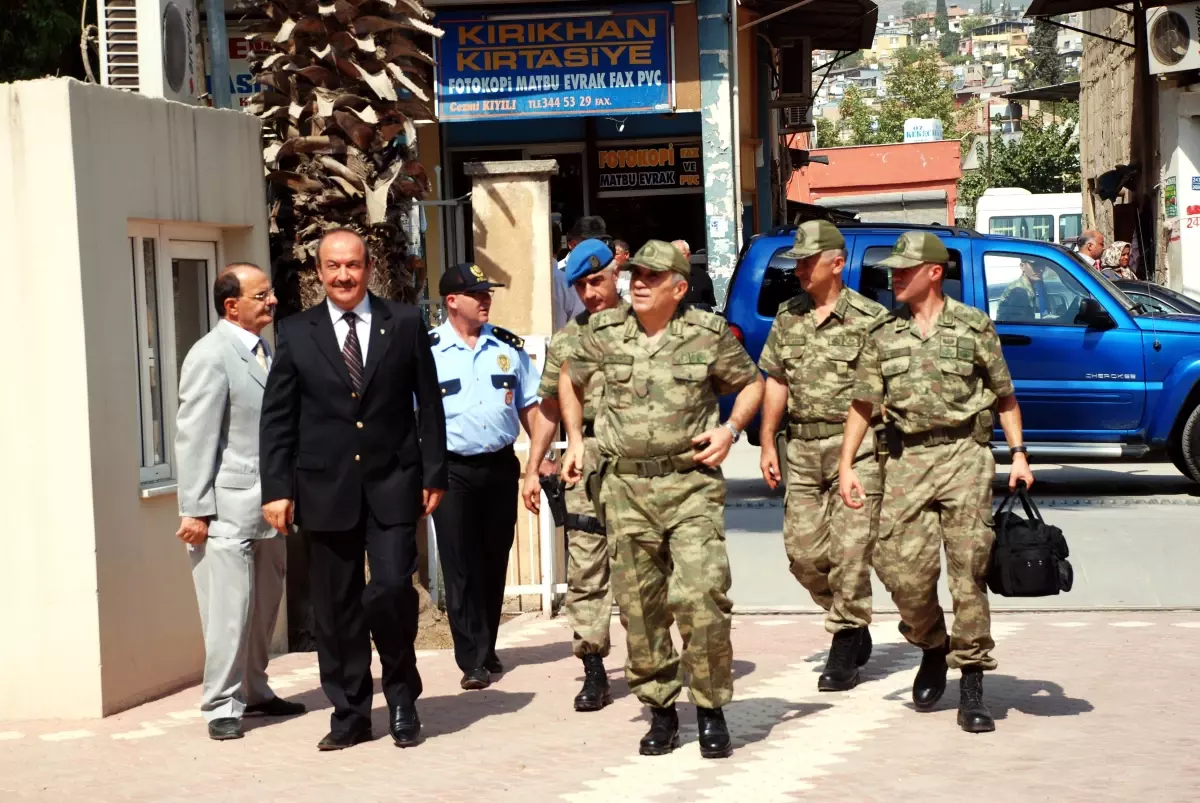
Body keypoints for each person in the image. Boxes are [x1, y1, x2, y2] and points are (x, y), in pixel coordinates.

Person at [560, 240, 764, 759]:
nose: (640, 283)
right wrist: (577, 440)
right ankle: (661, 710)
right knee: (641, 608)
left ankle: (712, 709)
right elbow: (568, 376)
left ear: (679, 287)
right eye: (637, 275)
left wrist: (731, 430)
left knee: (701, 598)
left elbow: (751, 384)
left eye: (653, 277)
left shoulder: (707, 335)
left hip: (690, 485)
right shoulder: (604, 333)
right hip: (626, 489)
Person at [838, 231, 1035, 734]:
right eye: (893, 270)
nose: (894, 277)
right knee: (900, 569)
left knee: (969, 569)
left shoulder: (973, 327)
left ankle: (971, 681)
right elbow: (862, 404)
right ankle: (931, 643)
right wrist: (845, 466)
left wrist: (1018, 456)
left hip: (965, 456)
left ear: (933, 272)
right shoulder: (883, 335)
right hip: (906, 460)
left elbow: (1004, 397)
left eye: (904, 269)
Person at [260, 229, 447, 751]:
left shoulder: (405, 322)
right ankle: (350, 713)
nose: (344, 275)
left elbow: (428, 404)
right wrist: (277, 488)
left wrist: (434, 472)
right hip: (323, 488)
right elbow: (278, 419)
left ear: (369, 268)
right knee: (336, 607)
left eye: (353, 265)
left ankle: (403, 696)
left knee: (389, 588)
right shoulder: (296, 332)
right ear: (319, 271)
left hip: (393, 482)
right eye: (333, 266)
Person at [757, 222, 889, 692]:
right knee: (803, 555)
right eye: (797, 263)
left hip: (857, 450)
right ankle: (852, 621)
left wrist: (860, 454)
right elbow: (776, 379)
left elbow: (877, 394)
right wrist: (768, 439)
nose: (800, 271)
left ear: (837, 263)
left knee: (850, 552)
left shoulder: (869, 318)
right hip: (803, 450)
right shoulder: (787, 316)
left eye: (808, 262)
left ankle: (845, 643)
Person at [176, 264, 304, 741]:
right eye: (262, 295)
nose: (272, 301)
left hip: (269, 506)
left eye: (271, 293)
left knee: (263, 608)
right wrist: (194, 509)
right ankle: (220, 704)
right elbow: (195, 435)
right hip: (226, 508)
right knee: (229, 611)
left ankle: (254, 689)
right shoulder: (211, 354)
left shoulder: (263, 349)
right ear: (232, 305)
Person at [430, 263, 541, 691]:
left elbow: (530, 405)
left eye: (488, 292)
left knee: (494, 560)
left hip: (498, 466)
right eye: (477, 294)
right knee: (459, 562)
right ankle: (470, 658)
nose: (486, 299)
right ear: (452, 301)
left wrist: (538, 461)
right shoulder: (430, 350)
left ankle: (487, 643)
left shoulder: (506, 348)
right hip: (452, 469)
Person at [522, 239, 623, 712]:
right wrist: (531, 466)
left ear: (615, 271)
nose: (590, 293)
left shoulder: (645, 328)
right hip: (585, 462)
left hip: (638, 462)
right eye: (580, 286)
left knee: (647, 566)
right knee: (585, 567)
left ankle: (654, 658)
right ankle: (594, 669)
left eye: (596, 281)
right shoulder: (567, 339)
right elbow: (547, 407)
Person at [676, 239, 717, 311]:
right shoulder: (661, 277)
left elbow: (708, 306)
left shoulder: (701, 276)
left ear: (688, 255)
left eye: (680, 254)